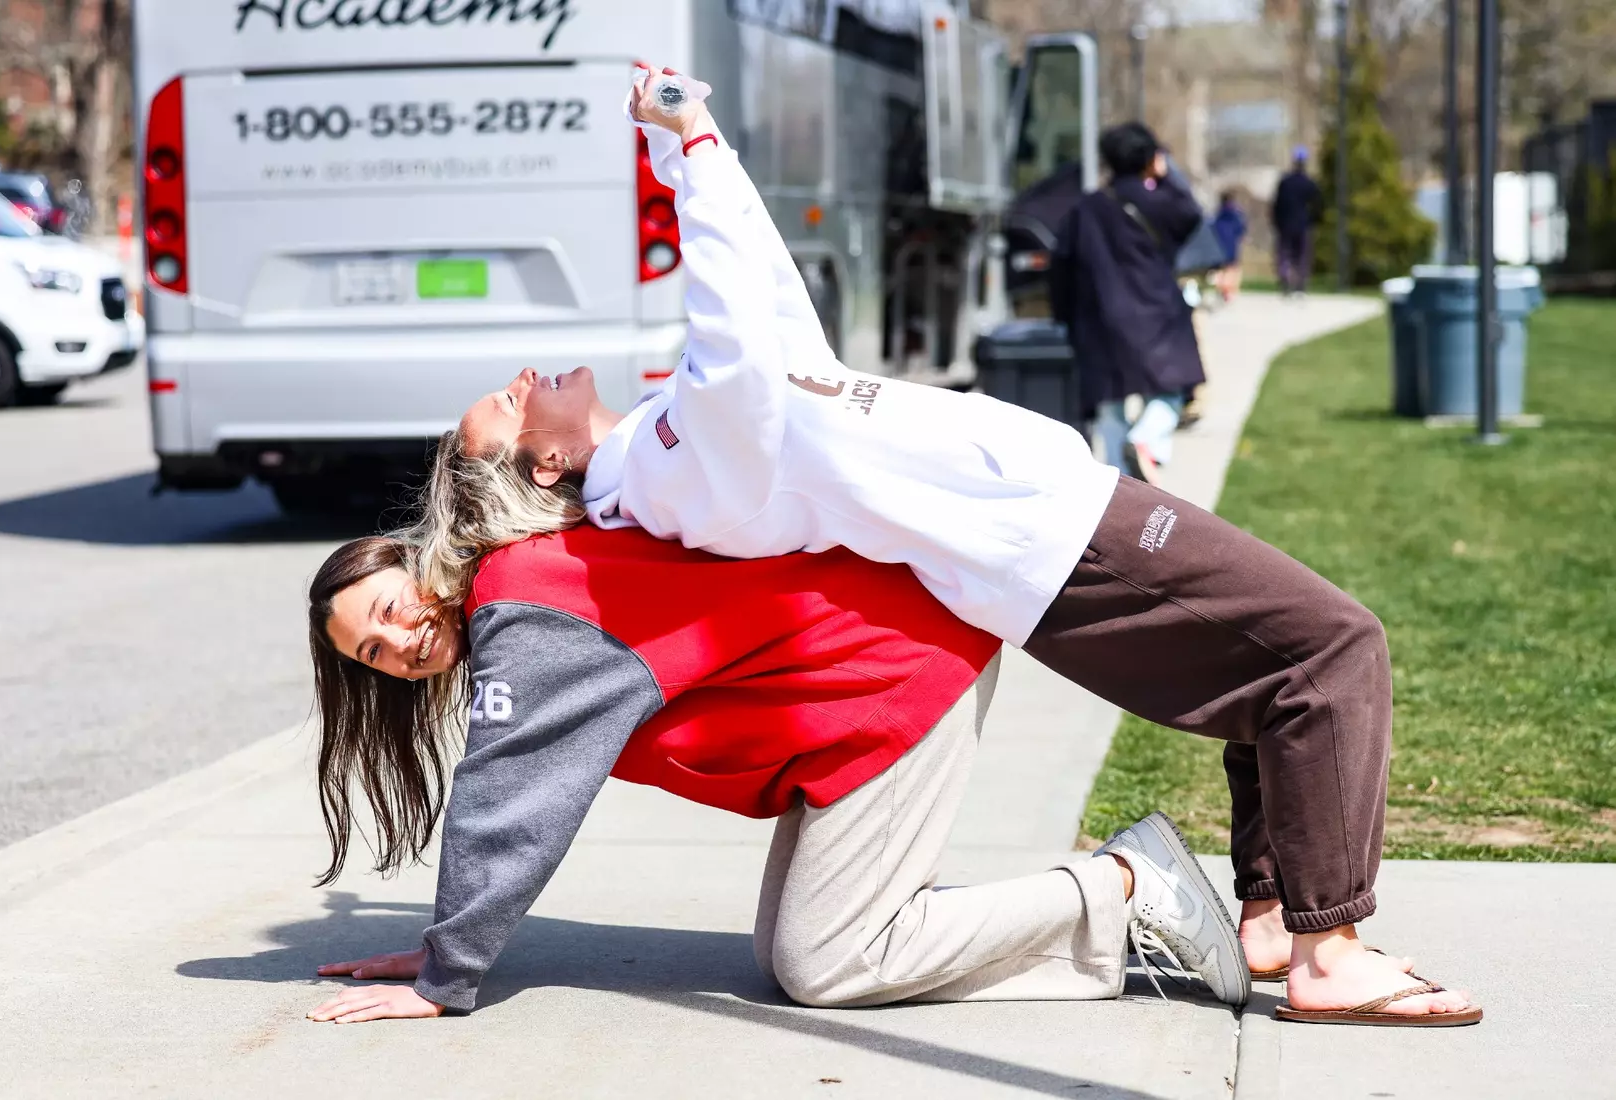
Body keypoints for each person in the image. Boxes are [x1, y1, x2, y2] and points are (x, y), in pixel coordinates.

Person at [421, 68, 1480, 1027]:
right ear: (543, 470)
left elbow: (776, 312)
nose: (520, 380)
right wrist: (692, 149)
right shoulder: (671, 474)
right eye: (504, 412)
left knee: (1266, 669)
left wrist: (688, 146)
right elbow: (738, 344)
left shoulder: (661, 434)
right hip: (1059, 538)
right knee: (1335, 650)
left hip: (1051, 523)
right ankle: (1328, 949)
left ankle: (1270, 919)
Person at [303, 533, 1246, 1022]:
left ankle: (1121, 887)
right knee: (786, 958)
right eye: (375, 657)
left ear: (420, 566)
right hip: (853, 691)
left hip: (884, 674)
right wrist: (442, 947)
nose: (401, 645)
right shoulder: (513, 595)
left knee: (829, 964)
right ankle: (1126, 928)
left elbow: (507, 806)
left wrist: (444, 976)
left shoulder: (523, 619)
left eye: (390, 611)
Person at [1049, 122, 1207, 485]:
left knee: (1109, 407)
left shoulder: (1083, 210)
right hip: (1157, 316)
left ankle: (1120, 489)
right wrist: (1164, 177)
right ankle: (1147, 441)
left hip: (1098, 320)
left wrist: (1064, 318)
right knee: (1172, 390)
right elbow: (1191, 215)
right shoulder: (1162, 203)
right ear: (1151, 159)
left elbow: (1061, 267)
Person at [1273, 148, 1323, 297]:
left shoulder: (1285, 182)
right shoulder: (1308, 183)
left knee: (1285, 254)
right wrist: (1314, 219)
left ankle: (1286, 280)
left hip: (1286, 225)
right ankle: (1300, 285)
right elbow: (1318, 204)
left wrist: (1277, 221)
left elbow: (1277, 205)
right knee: (1301, 255)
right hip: (1302, 224)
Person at [1211, 191, 1249, 302]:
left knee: (1221, 269)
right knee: (1231, 268)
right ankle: (1229, 290)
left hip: (1219, 244)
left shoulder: (1218, 214)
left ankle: (1222, 289)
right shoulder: (1237, 214)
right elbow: (1241, 229)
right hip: (1232, 244)